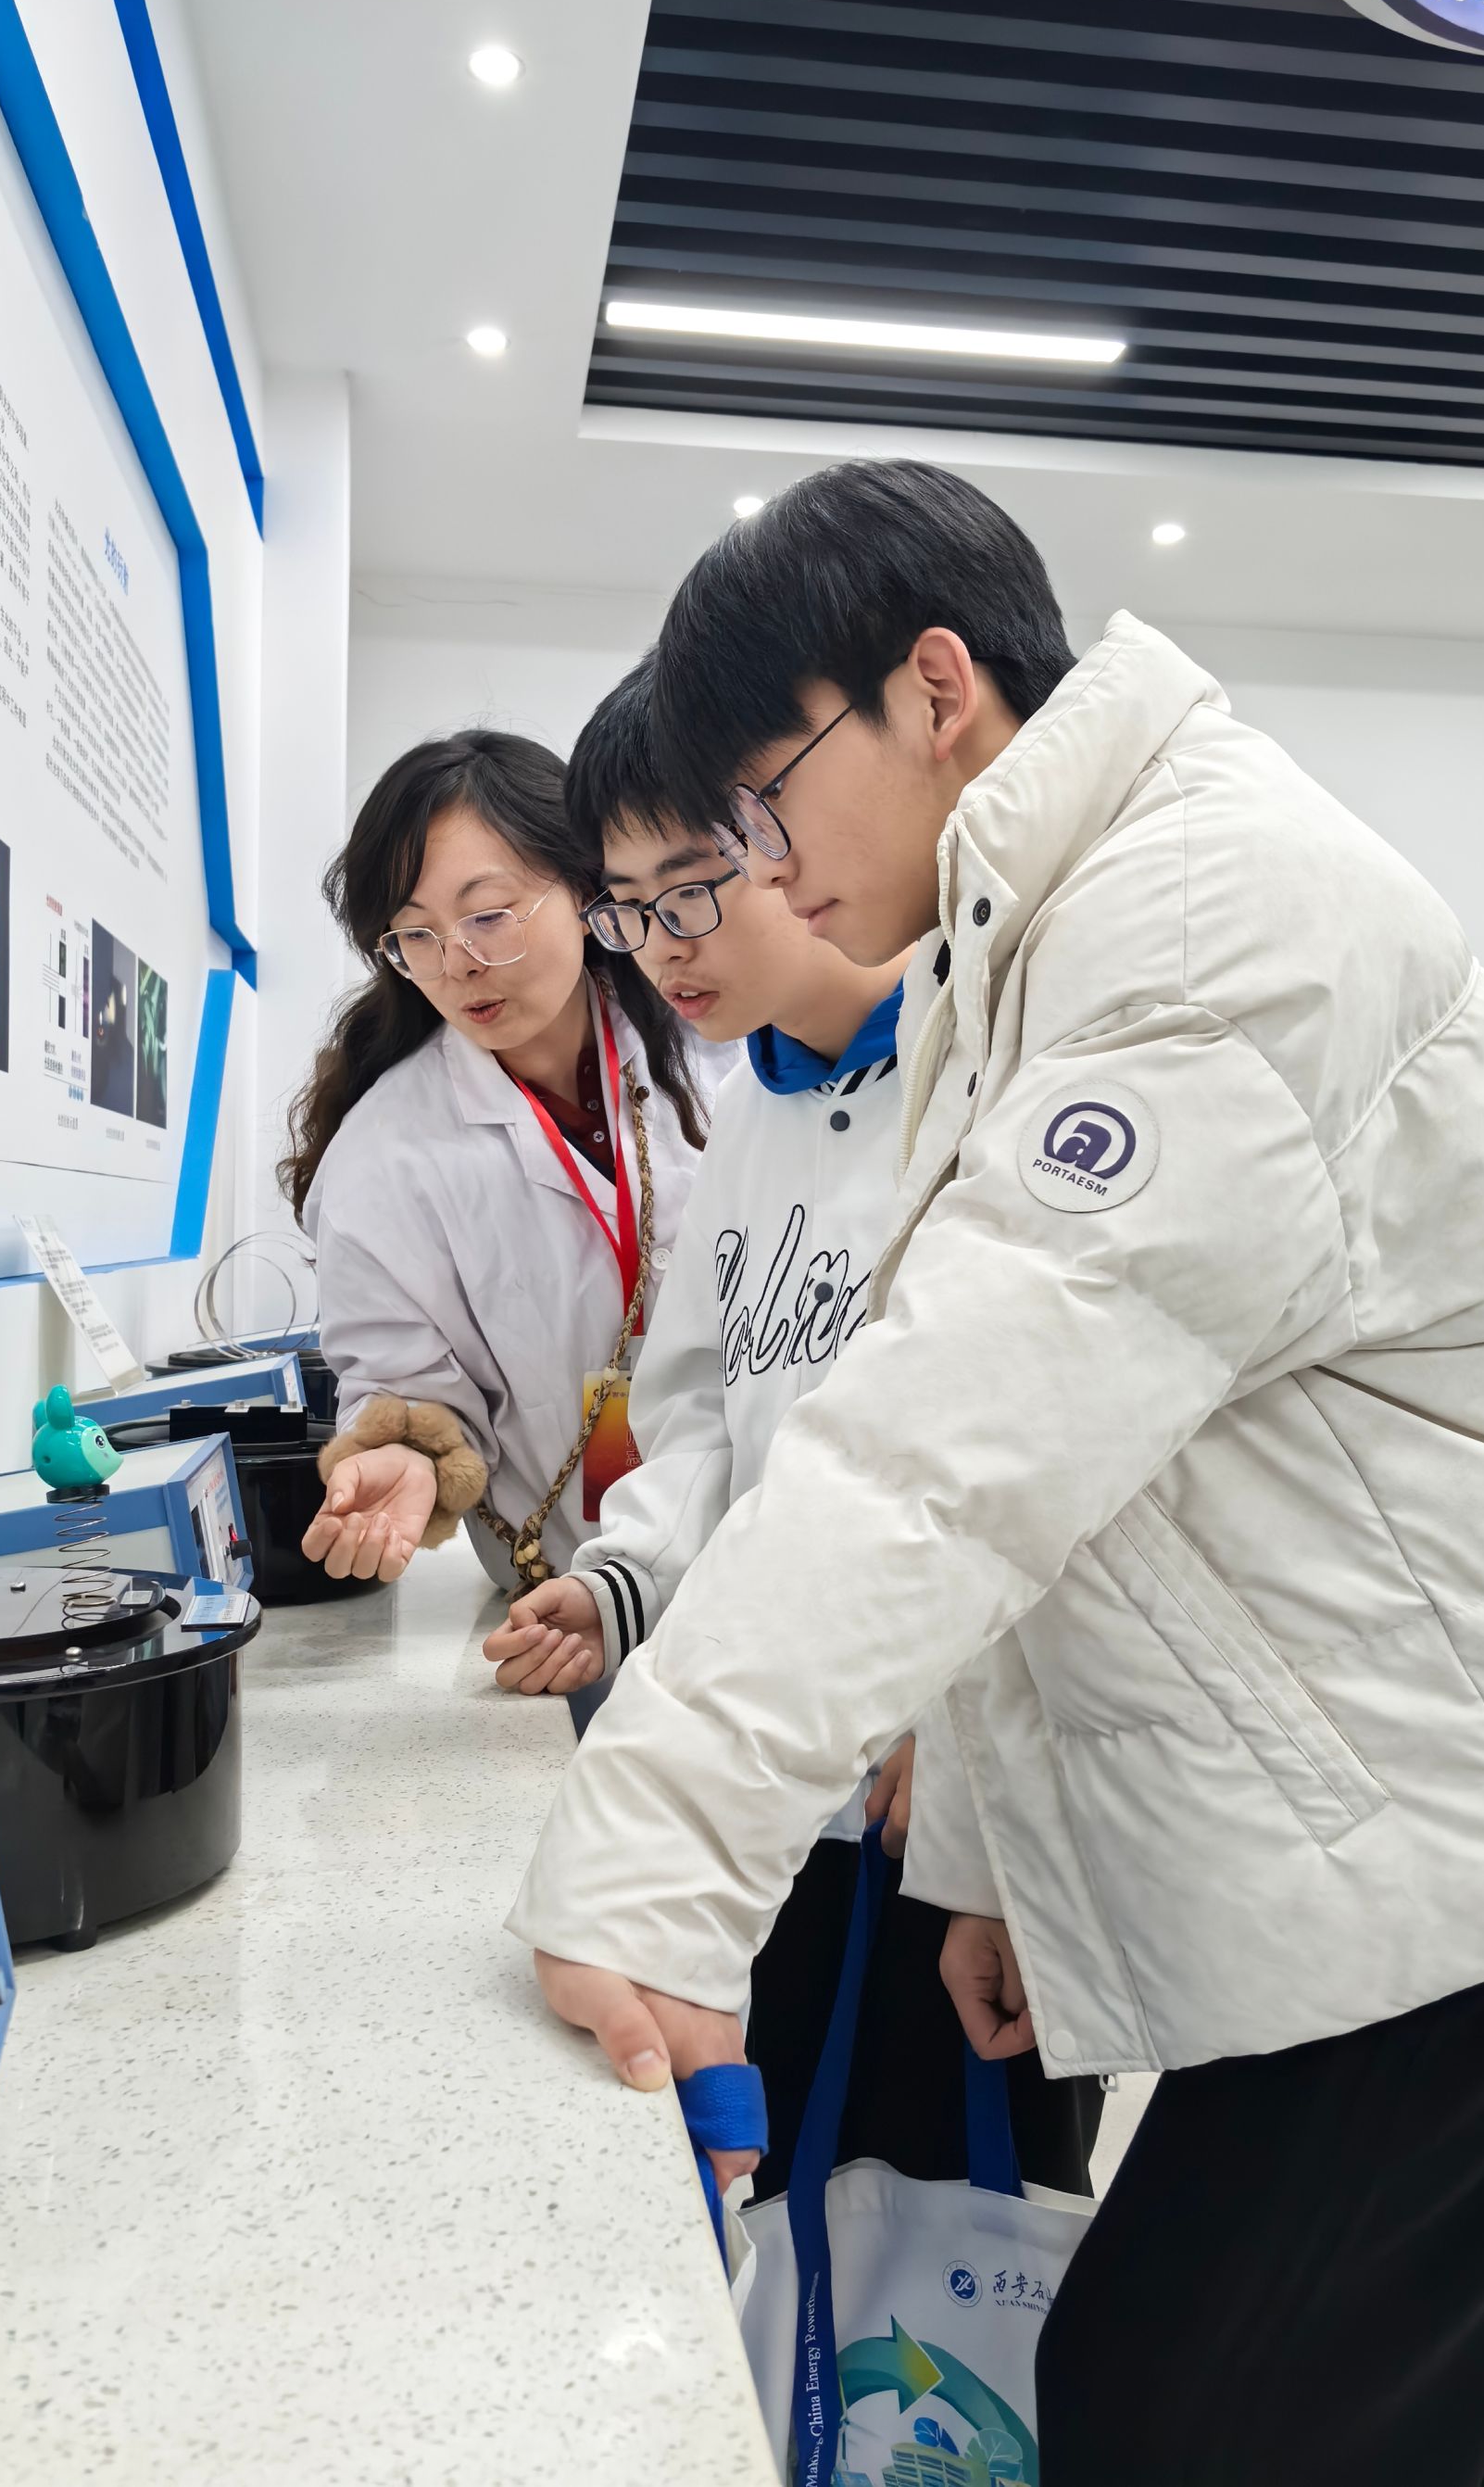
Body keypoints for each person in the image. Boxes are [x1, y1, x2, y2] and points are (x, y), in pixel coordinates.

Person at [506, 461, 1484, 2482]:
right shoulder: (1039, 938)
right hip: (1454, 1781)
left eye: (765, 807)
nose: (763, 876)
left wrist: (653, 1866)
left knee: (1174, 2406)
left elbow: (951, 1451)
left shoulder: (1203, 928)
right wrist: (985, 1857)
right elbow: (1078, 1477)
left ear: (931, 688)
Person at [481, 663, 1101, 2200]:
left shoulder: (994, 1077)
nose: (662, 945)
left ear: (791, 836)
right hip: (792, 1797)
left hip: (949, 1806)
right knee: (801, 2211)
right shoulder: (750, 1119)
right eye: (626, 907)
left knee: (977, 2233)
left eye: (692, 885)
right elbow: (701, 1415)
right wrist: (620, 1579)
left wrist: (969, 1732)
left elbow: (1040, 1454)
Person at [283, 729, 726, 1617]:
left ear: (584, 889)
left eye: (489, 915)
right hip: (562, 1589)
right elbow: (404, 1379)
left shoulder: (720, 1050)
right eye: (415, 934)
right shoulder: (384, 1157)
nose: (458, 964)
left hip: (762, 1556)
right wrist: (405, 1454)